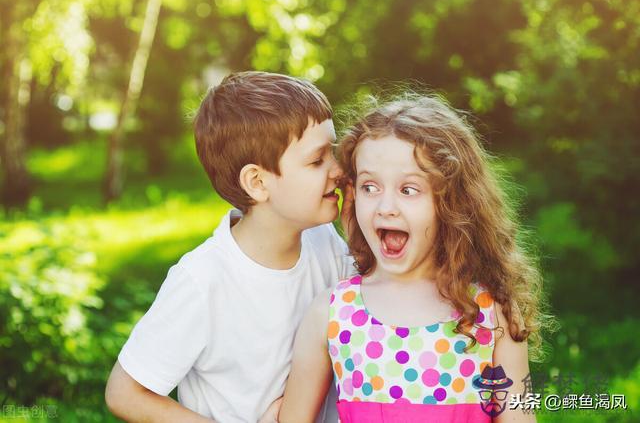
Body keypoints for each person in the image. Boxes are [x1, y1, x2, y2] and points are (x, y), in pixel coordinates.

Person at [279, 92, 551, 422]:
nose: (386, 207)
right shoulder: (333, 313)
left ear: (452, 203)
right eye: (369, 187)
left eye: (408, 190)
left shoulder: (493, 315)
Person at [105, 71, 353, 422]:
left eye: (333, 151)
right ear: (257, 182)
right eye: (317, 161)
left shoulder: (324, 241)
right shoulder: (203, 280)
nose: (339, 169)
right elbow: (124, 393)